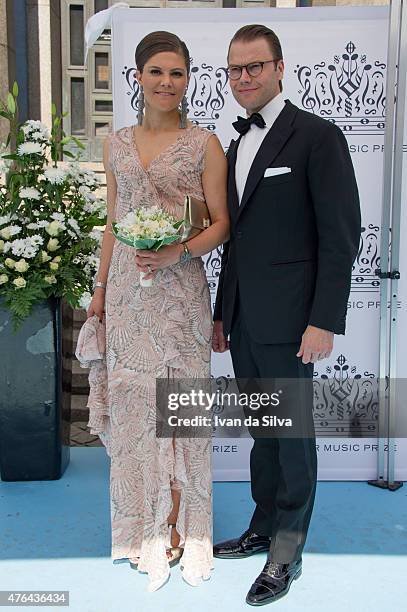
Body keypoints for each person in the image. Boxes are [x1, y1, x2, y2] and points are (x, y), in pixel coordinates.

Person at [212, 24, 361, 606]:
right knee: (262, 433)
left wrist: (324, 319)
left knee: (293, 436)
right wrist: (224, 313)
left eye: (254, 67)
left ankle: (286, 550)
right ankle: (261, 525)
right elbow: (237, 239)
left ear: (279, 67)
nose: (244, 78)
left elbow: (340, 235)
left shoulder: (317, 137)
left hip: (296, 321)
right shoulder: (235, 144)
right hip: (247, 318)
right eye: (234, 70)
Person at [80, 30, 228, 592]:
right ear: (137, 77)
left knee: (183, 411)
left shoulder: (204, 143)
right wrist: (98, 291)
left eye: (178, 73)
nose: (167, 83)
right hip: (127, 294)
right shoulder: (115, 144)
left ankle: (186, 531)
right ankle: (145, 532)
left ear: (189, 80)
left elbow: (221, 222)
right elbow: (114, 222)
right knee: (140, 415)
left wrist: (176, 252)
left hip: (182, 291)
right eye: (157, 72)